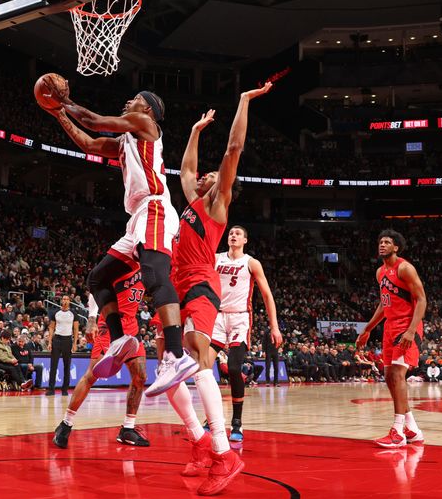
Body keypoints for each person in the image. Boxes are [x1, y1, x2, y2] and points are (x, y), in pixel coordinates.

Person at [150, 83, 272, 495]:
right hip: (177, 282)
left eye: (213, 175)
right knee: (166, 359)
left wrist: (242, 102)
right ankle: (199, 443)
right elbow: (185, 170)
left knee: (200, 352)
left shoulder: (217, 204)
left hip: (202, 280)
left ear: (223, 186)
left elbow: (234, 148)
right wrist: (197, 131)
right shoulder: (190, 199)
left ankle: (223, 450)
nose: (204, 174)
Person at [42, 85, 194, 390]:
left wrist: (65, 101)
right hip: (137, 216)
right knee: (98, 279)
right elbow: (88, 143)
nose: (129, 100)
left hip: (155, 207)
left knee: (154, 274)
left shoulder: (146, 124)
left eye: (136, 98)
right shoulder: (127, 140)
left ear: (148, 109)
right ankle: (120, 339)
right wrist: (59, 114)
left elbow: (94, 122)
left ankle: (177, 355)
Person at [53, 265, 150, 448]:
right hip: (110, 323)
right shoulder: (122, 259)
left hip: (131, 326)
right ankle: (65, 424)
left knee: (140, 376)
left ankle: (127, 428)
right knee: (92, 375)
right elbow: (97, 287)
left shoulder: (149, 264)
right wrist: (91, 319)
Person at [356, 230, 427, 448]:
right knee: (388, 377)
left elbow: (422, 300)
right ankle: (412, 428)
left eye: (387, 242)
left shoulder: (405, 268)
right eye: (380, 242)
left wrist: (410, 330)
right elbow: (383, 304)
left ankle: (397, 431)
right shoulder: (380, 272)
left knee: (397, 374)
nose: (382, 245)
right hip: (389, 326)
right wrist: (367, 329)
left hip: (407, 326)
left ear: (396, 247)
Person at [211, 224, 282, 441]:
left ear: (245, 240)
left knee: (233, 368)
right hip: (216, 316)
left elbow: (267, 296)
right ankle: (211, 418)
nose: (233, 235)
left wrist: (275, 327)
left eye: (238, 234)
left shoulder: (251, 263)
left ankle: (237, 423)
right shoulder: (215, 258)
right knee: (203, 368)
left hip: (240, 317)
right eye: (231, 233)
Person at [47, 295, 79, 396]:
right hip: (57, 339)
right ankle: (51, 389)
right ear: (61, 301)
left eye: (66, 299)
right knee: (53, 365)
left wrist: (74, 343)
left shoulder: (73, 313)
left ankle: (64, 389)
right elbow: (51, 327)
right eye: (63, 299)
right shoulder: (56, 313)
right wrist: (50, 342)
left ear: (69, 301)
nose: (65, 301)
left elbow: (76, 329)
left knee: (67, 366)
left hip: (67, 340)